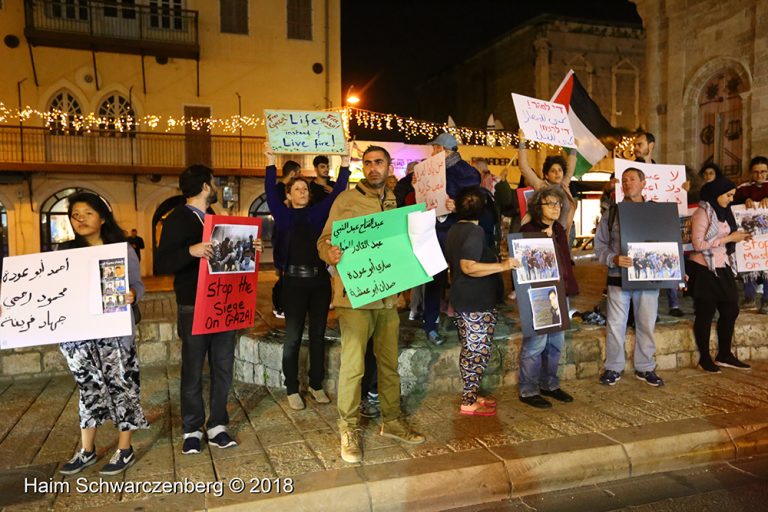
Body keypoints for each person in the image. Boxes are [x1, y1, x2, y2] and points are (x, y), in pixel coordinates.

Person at [318, 145, 425, 464]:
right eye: (367, 163)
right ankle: (348, 429)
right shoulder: (345, 200)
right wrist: (330, 253)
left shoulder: (394, 201)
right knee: (353, 366)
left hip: (388, 298)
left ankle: (391, 421)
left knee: (389, 363)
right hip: (354, 297)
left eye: (379, 162)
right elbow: (324, 240)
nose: (373, 167)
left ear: (389, 166)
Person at [157, 164, 261, 455]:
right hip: (193, 305)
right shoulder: (178, 218)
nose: (215, 187)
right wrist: (191, 251)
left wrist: (251, 247)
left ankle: (218, 426)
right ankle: (192, 429)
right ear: (205, 186)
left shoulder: (216, 219)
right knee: (192, 370)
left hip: (223, 303)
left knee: (223, 368)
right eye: (213, 183)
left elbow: (230, 258)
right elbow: (163, 262)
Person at [54, 192, 147, 476]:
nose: (80, 219)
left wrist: (132, 295)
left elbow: (138, 286)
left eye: (87, 213)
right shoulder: (64, 252)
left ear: (103, 217)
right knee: (87, 388)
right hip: (79, 336)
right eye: (75, 215)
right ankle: (87, 450)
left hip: (115, 335)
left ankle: (125, 449)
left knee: (123, 386)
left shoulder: (121, 250)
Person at [265, 143, 350, 410]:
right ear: (288, 195)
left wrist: (345, 165)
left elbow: (337, 193)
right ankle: (292, 387)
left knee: (317, 335)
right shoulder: (284, 215)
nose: (301, 191)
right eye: (296, 189)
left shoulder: (317, 214)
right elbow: (269, 190)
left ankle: (315, 384)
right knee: (292, 337)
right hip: (292, 283)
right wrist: (270, 162)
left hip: (318, 283)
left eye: (304, 189)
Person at [445, 186, 519, 416]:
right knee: (476, 352)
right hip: (474, 302)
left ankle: (472, 394)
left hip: (463, 298)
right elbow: (468, 266)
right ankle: (468, 401)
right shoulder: (474, 232)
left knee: (471, 349)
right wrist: (503, 265)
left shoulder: (454, 229)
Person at [595, 168, 665, 387]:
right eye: (624, 181)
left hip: (648, 277)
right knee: (615, 324)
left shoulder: (655, 211)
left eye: (632, 179)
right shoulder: (612, 213)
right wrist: (613, 259)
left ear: (644, 183)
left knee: (646, 322)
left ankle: (645, 367)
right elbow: (600, 245)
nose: (627, 184)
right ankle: (613, 367)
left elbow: (667, 242)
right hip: (618, 277)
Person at [518, 186, 578, 408]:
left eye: (558, 204)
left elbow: (564, 259)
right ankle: (528, 389)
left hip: (561, 293)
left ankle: (550, 384)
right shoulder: (528, 229)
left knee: (556, 343)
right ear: (537, 206)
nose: (555, 208)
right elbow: (525, 264)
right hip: (539, 294)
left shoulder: (560, 229)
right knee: (536, 344)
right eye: (550, 204)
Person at [423, 132, 482, 346]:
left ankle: (463, 321)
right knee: (434, 278)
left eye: (434, 148)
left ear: (443, 150)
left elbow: (476, 201)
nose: (432, 152)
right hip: (434, 231)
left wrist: (458, 206)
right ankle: (430, 324)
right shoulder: (428, 171)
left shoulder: (466, 172)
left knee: (462, 276)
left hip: (457, 230)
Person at [688, 177, 752, 372]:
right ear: (717, 194)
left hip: (721, 265)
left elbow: (725, 238)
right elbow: (698, 245)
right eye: (728, 195)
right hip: (703, 267)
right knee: (705, 314)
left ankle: (724, 354)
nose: (731, 199)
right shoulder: (702, 213)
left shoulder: (725, 213)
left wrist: (737, 238)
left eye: (732, 195)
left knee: (731, 309)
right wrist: (729, 238)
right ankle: (705, 358)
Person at [634, 131, 685, 317]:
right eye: (635, 145)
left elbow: (672, 196)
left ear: (651, 145)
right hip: (638, 224)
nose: (636, 148)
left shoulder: (663, 172)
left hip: (659, 222)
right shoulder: (628, 170)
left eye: (640, 144)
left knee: (667, 257)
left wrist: (682, 190)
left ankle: (674, 303)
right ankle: (648, 311)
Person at [517, 131, 577, 232]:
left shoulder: (564, 185)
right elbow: (524, 167)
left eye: (560, 170)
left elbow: (570, 168)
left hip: (564, 234)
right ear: (546, 175)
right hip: (543, 233)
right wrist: (522, 142)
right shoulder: (541, 186)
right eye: (553, 171)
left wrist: (573, 148)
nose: (557, 173)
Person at [732, 156, 768, 310]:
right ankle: (749, 298)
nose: (760, 175)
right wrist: (744, 200)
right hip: (748, 236)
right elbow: (731, 203)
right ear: (750, 172)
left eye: (763, 172)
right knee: (748, 263)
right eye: (756, 172)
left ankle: (766, 301)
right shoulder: (742, 188)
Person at [271, 160, 302, 319]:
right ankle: (280, 305)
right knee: (283, 273)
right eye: (298, 173)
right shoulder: (277, 190)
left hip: (292, 235)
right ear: (292, 173)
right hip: (282, 236)